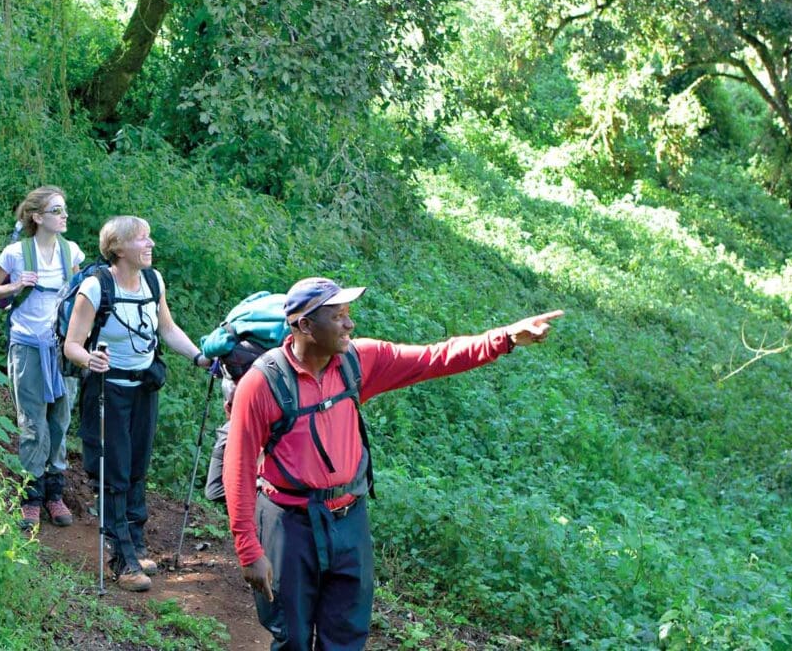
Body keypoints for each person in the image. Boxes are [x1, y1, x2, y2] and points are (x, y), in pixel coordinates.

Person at [224, 277, 563, 650]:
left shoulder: (358, 361)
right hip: (288, 525)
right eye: (338, 317)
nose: (350, 325)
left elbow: (434, 357)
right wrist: (249, 549)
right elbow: (238, 466)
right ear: (305, 325)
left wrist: (506, 338)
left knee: (347, 636)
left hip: (349, 519)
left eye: (348, 315)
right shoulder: (262, 383)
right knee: (293, 637)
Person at [62, 216, 210, 592]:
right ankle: (121, 558)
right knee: (114, 471)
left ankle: (137, 541)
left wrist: (199, 357)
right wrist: (88, 359)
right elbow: (72, 343)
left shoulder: (152, 281)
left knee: (137, 466)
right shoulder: (96, 287)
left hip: (143, 387)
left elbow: (167, 329)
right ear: (118, 247)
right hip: (107, 390)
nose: (150, 244)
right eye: (142, 239)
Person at [0, 187, 86, 531]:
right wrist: (13, 287)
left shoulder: (71, 252)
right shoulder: (15, 253)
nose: (64, 215)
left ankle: (55, 493)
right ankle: (31, 496)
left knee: (60, 419)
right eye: (57, 210)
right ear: (37, 217)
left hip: (62, 348)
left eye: (65, 209)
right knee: (32, 421)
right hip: (27, 345)